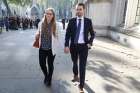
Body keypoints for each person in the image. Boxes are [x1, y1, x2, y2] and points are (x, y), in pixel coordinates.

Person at [64, 3, 95, 92]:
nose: (78, 11)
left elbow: (92, 34)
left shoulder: (88, 21)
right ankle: (75, 75)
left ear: (84, 10)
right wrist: (66, 45)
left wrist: (90, 42)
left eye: (80, 9)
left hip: (84, 47)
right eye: (77, 9)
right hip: (73, 46)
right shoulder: (72, 21)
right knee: (74, 62)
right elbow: (67, 34)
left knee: (82, 66)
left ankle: (81, 85)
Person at [34, 8, 58, 86]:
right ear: (45, 14)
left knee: (50, 65)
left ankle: (49, 79)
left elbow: (58, 36)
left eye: (50, 14)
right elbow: (38, 31)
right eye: (47, 13)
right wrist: (37, 34)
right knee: (42, 64)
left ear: (53, 15)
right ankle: (46, 75)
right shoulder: (41, 23)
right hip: (42, 48)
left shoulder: (55, 25)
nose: (48, 15)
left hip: (51, 48)